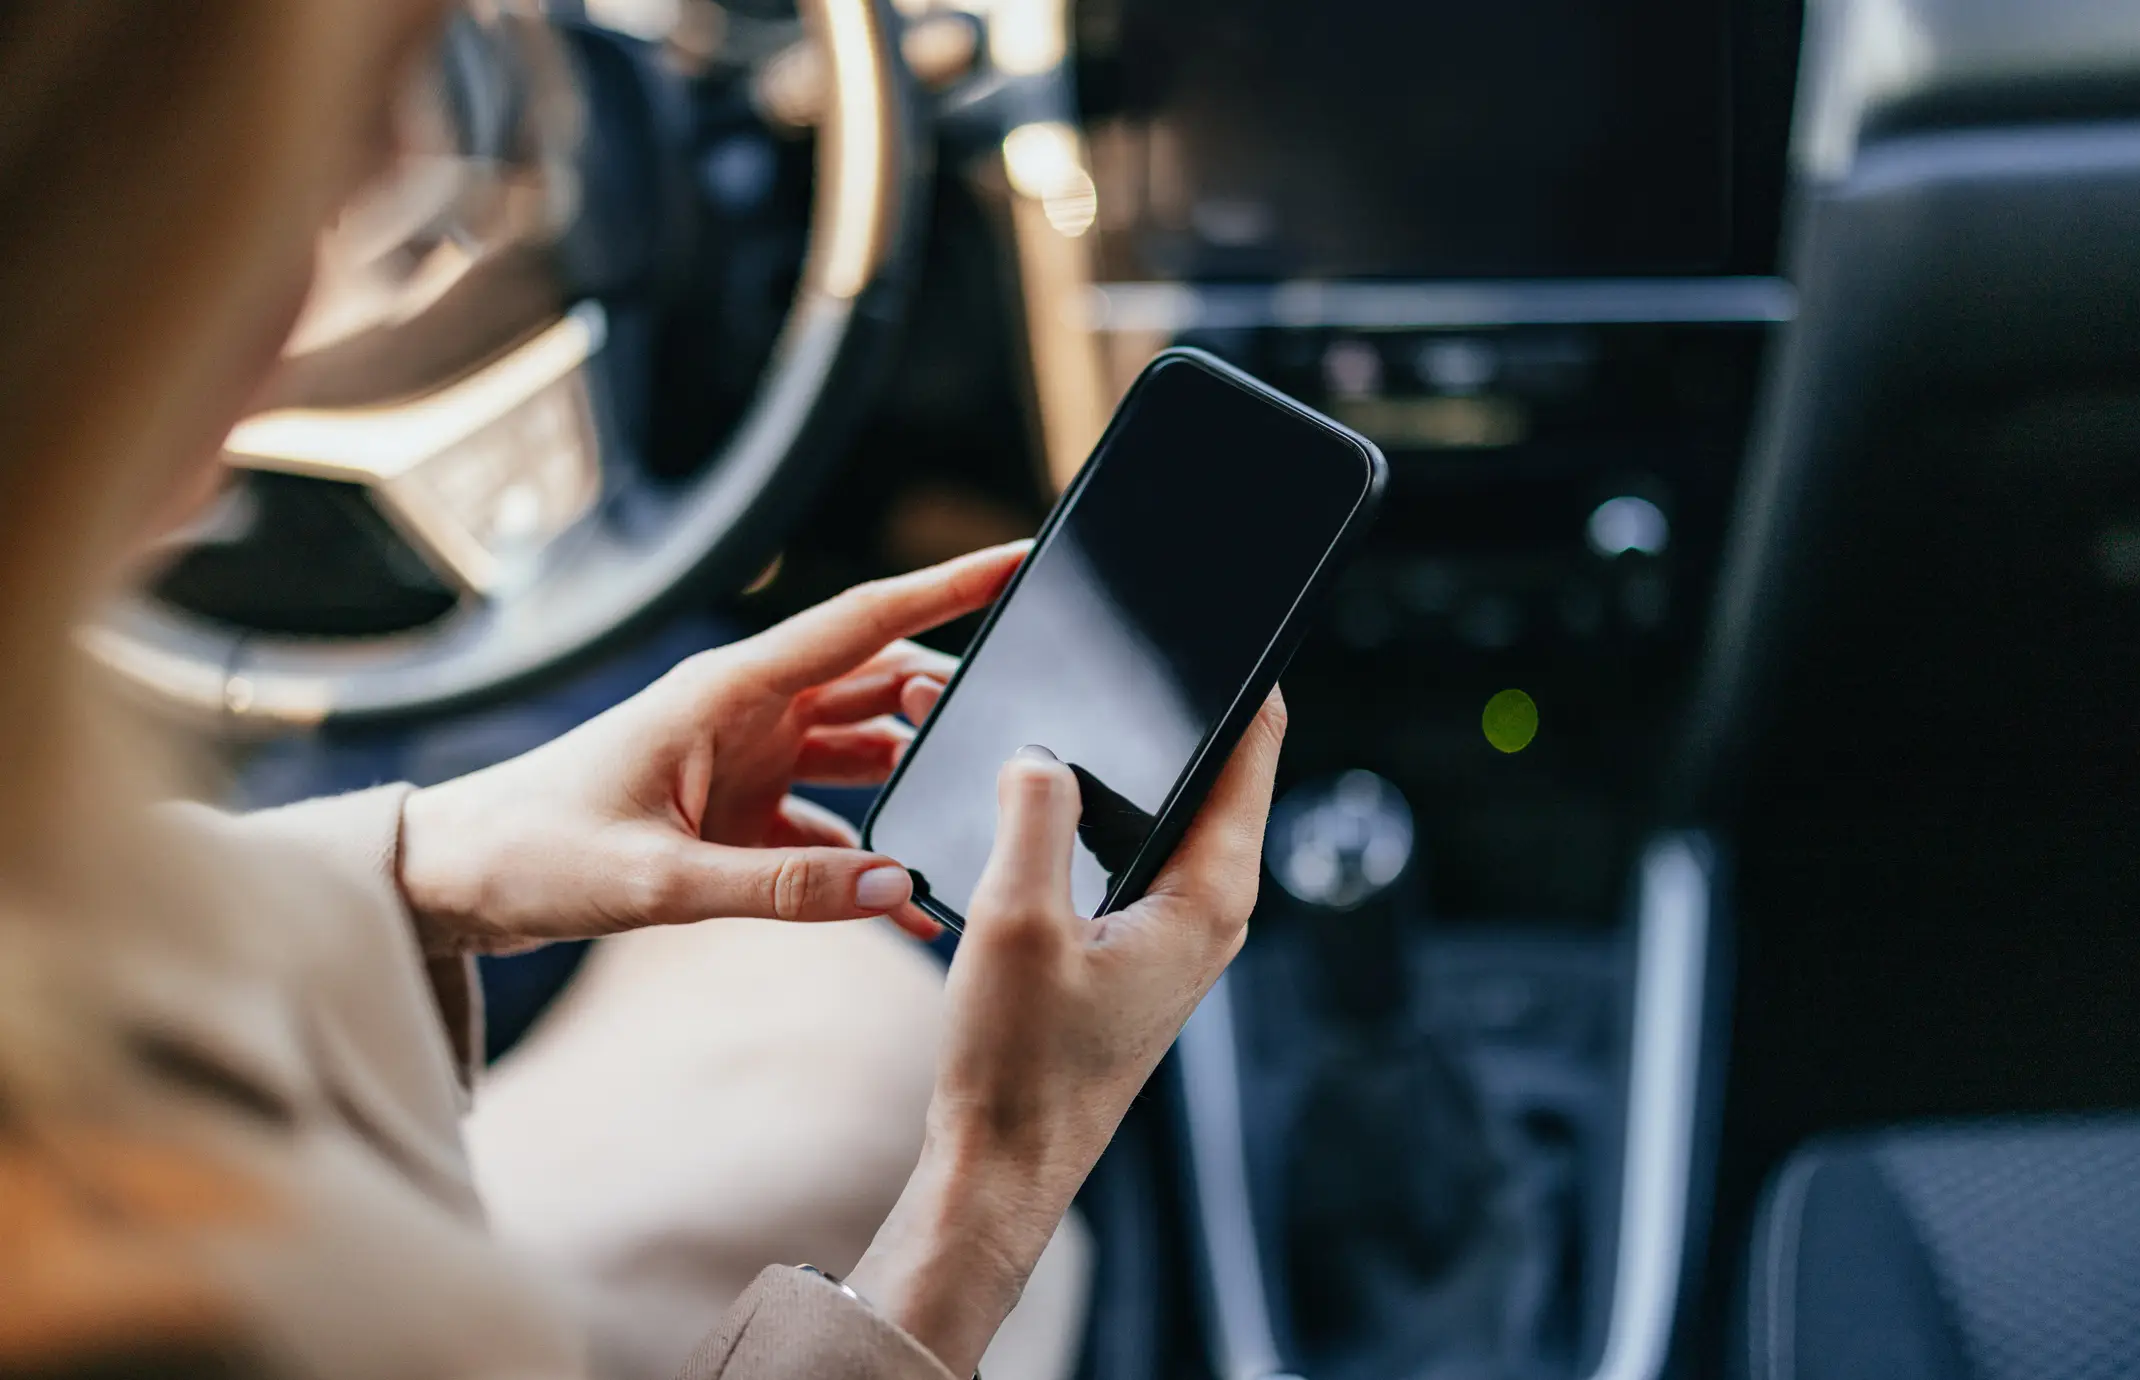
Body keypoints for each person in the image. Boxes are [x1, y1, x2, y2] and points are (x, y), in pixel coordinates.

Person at [0, 6, 1284, 1380]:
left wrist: (440, 858)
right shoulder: (168, 1307)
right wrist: (992, 1193)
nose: (403, 158)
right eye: (347, 94)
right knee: (861, 1030)